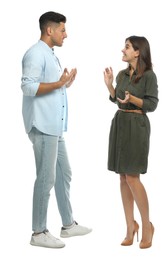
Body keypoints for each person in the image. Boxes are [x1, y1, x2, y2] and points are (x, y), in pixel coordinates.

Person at [21, 11, 92, 249]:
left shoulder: (50, 55)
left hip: (54, 126)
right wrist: (58, 84)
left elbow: (50, 87)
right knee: (46, 177)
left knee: (64, 173)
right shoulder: (34, 53)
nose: (66, 34)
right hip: (42, 125)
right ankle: (38, 231)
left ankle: (68, 225)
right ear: (49, 30)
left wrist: (64, 84)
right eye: (62, 30)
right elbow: (28, 87)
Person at [103, 36, 158, 249]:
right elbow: (118, 98)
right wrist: (110, 86)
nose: (122, 50)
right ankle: (129, 226)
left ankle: (146, 226)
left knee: (133, 177)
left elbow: (152, 104)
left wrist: (132, 99)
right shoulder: (121, 74)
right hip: (120, 123)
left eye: (126, 47)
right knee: (122, 178)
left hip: (137, 125)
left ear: (138, 52)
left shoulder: (149, 76)